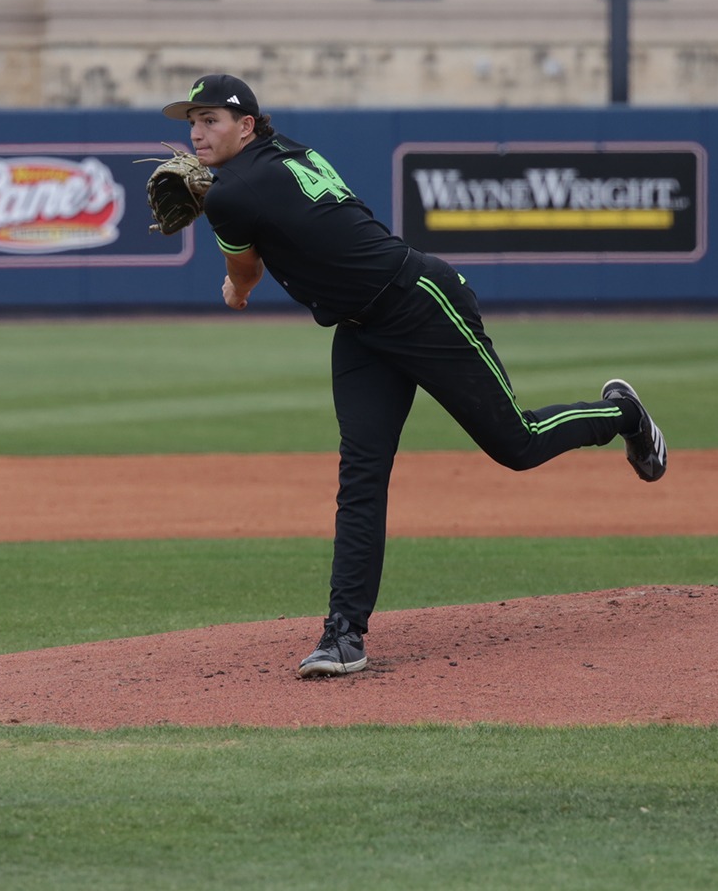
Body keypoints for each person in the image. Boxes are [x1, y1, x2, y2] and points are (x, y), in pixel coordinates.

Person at [161, 74, 666, 678]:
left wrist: (233, 290)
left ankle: (623, 414)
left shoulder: (231, 194)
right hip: (360, 330)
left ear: (246, 125)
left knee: (517, 444)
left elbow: (244, 275)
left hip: (420, 304)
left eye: (211, 119)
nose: (196, 131)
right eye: (192, 120)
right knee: (361, 475)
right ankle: (343, 634)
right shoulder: (282, 150)